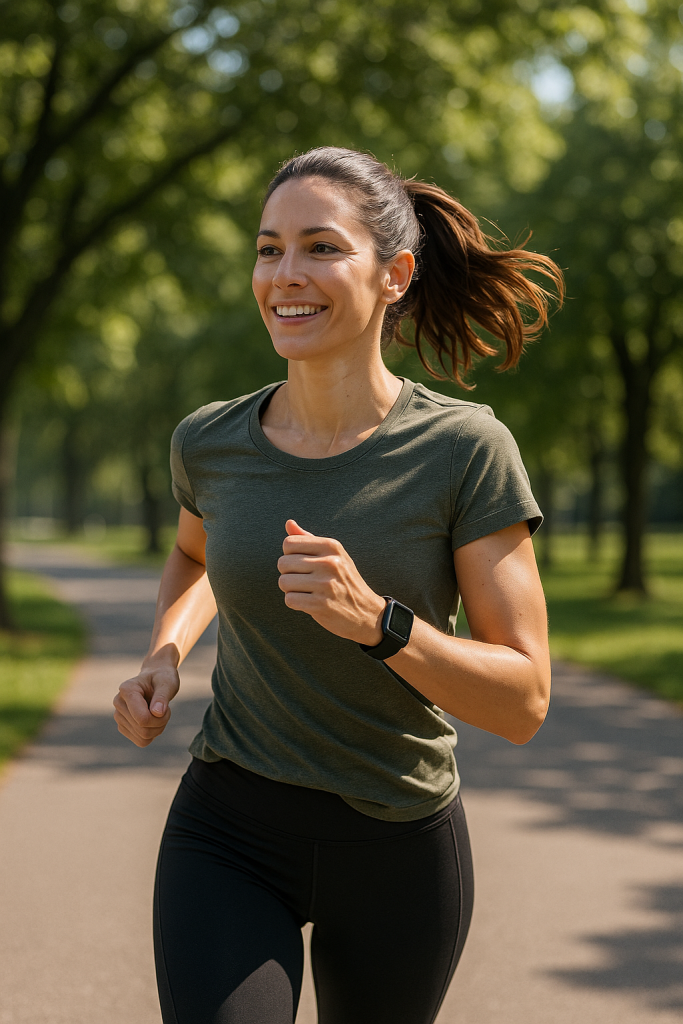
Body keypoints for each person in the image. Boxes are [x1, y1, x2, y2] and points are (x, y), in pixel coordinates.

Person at [113, 146, 563, 1024]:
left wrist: (380, 625)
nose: (285, 274)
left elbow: (525, 698)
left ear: (393, 274)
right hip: (229, 827)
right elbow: (198, 557)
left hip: (396, 835)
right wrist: (165, 652)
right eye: (267, 247)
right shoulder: (209, 443)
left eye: (320, 247)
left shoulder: (464, 451)